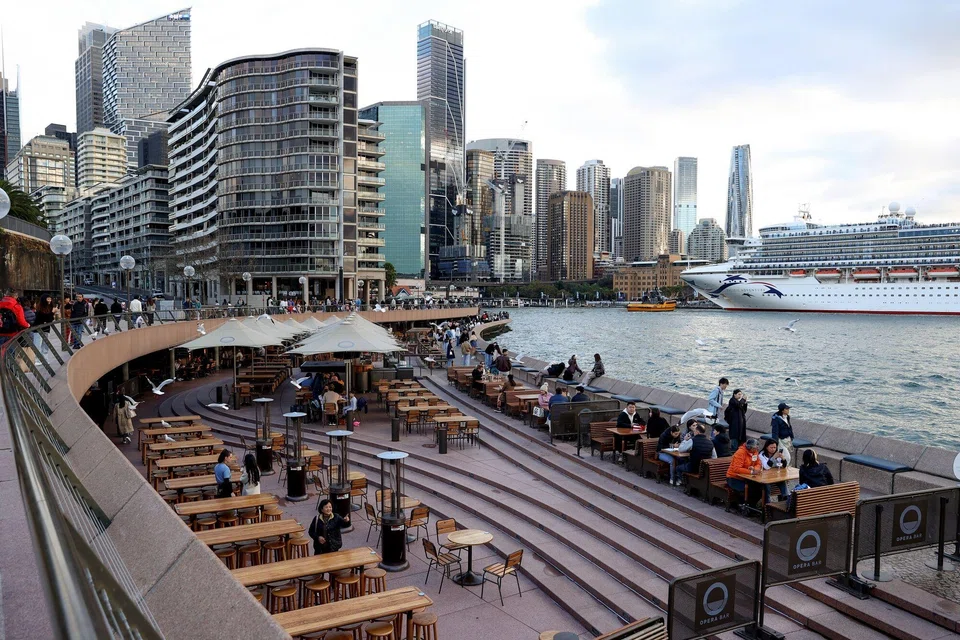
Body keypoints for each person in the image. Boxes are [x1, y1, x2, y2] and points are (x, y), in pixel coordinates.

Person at [726, 438, 763, 505]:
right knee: (750, 490)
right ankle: (746, 506)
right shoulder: (740, 452)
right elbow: (736, 469)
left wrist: (754, 468)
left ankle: (751, 506)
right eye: (755, 448)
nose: (757, 449)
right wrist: (751, 472)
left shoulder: (755, 452)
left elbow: (759, 463)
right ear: (750, 448)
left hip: (747, 478)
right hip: (734, 478)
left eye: (757, 448)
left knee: (760, 489)